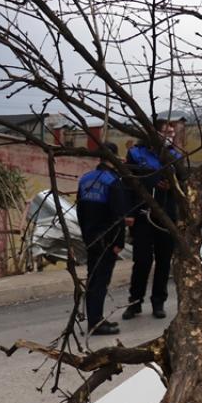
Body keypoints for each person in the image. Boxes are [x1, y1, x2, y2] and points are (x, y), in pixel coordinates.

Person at [124, 118, 187, 320]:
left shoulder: (175, 156)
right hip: (143, 214)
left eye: (172, 132)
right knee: (141, 261)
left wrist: (171, 185)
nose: (170, 135)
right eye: (166, 131)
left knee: (163, 262)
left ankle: (158, 302)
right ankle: (134, 303)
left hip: (167, 215)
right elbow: (130, 184)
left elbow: (183, 184)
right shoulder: (136, 153)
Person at [76, 142, 129, 335]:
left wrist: (86, 236)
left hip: (91, 238)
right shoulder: (112, 181)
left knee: (93, 279)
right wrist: (119, 243)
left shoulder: (85, 180)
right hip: (107, 241)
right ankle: (96, 323)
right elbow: (119, 216)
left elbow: (79, 211)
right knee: (100, 282)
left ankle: (94, 318)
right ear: (113, 157)